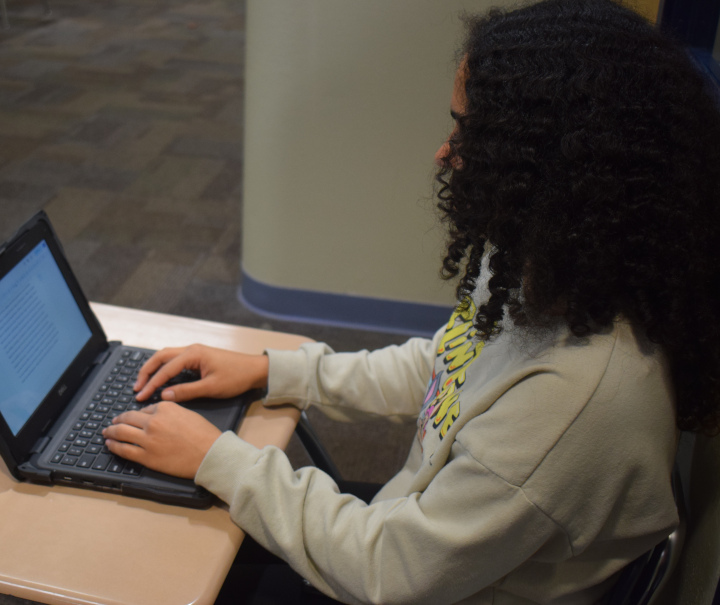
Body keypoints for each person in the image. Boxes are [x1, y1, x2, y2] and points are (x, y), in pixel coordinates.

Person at [103, 0, 720, 602]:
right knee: (187, 528)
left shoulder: (570, 404)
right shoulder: (553, 271)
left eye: (468, 130)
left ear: (562, 167)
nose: (445, 152)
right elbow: (449, 367)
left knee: (156, 566)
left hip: (400, 569)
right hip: (416, 533)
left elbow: (387, 572)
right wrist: (277, 371)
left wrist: (219, 460)